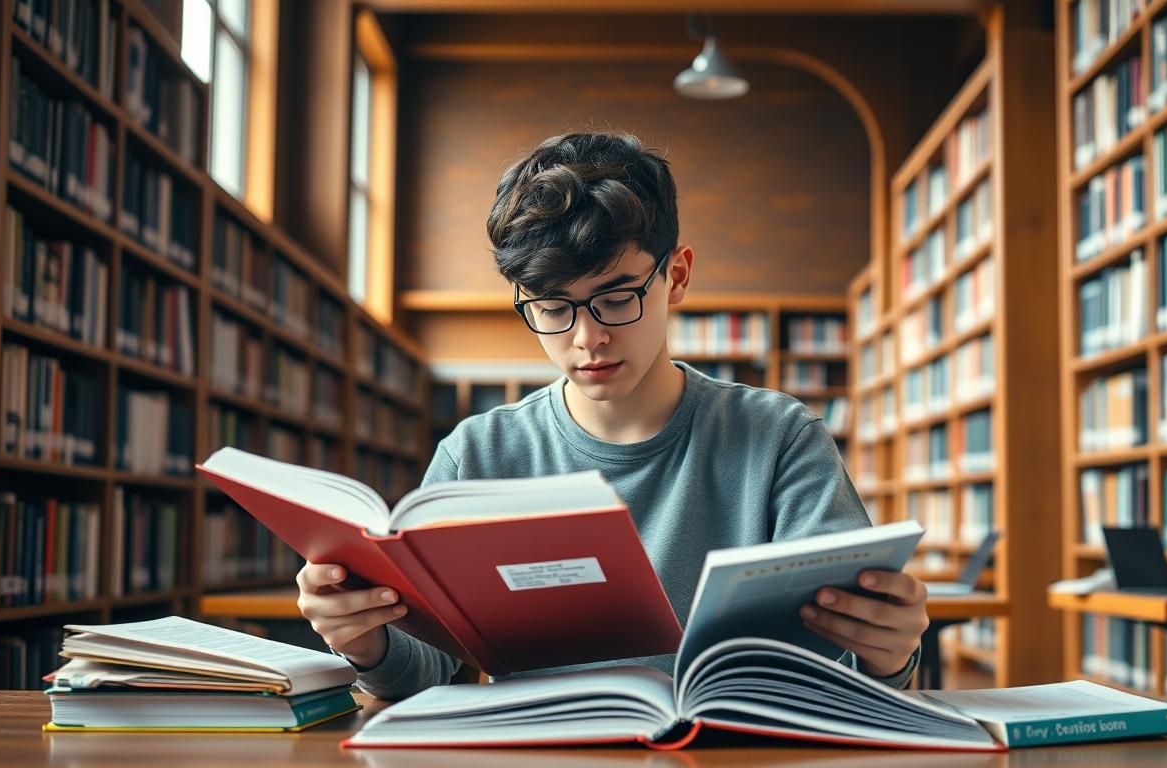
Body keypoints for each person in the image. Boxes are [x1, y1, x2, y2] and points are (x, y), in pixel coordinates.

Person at [296, 131, 929, 700]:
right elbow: (428, 669)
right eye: (551, 307)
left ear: (676, 276)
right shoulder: (479, 455)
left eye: (616, 298)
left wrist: (889, 656)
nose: (586, 339)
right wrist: (365, 641)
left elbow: (849, 664)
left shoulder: (780, 439)